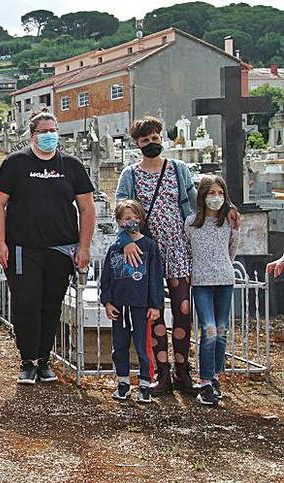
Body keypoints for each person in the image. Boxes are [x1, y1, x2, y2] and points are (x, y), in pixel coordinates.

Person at [115, 116, 238, 395]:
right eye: (145, 140)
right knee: (154, 313)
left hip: (179, 248)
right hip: (149, 253)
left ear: (162, 138)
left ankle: (183, 371)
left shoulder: (178, 169)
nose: (151, 143)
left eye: (155, 138)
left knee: (183, 311)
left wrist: (227, 207)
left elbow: (199, 202)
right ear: (137, 144)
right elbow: (121, 211)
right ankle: (163, 374)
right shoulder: (130, 175)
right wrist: (126, 240)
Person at [0, 112, 96, 385]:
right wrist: (0, 243)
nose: (49, 135)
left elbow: (86, 209)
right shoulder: (15, 163)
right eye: (43, 131)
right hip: (23, 248)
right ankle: (28, 361)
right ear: (32, 135)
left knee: (51, 306)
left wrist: (84, 247)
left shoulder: (71, 166)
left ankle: (44, 359)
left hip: (61, 249)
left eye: (53, 130)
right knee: (26, 304)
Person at [100, 200, 164, 403]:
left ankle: (145, 383)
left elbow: (155, 277)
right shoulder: (115, 248)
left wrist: (155, 304)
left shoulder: (149, 246)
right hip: (119, 306)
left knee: (142, 346)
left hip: (140, 307)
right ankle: (123, 382)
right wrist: (107, 301)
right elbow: (107, 277)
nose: (133, 222)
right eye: (128, 218)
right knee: (119, 346)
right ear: (119, 221)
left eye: (136, 218)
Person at [185, 175, 240, 406]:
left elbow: (233, 249)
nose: (216, 198)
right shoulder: (191, 223)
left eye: (220, 193)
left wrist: (222, 266)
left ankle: (216, 375)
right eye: (211, 193)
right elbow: (187, 251)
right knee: (208, 329)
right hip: (201, 282)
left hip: (225, 279)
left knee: (221, 329)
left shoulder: (229, 222)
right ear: (202, 195)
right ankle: (205, 380)